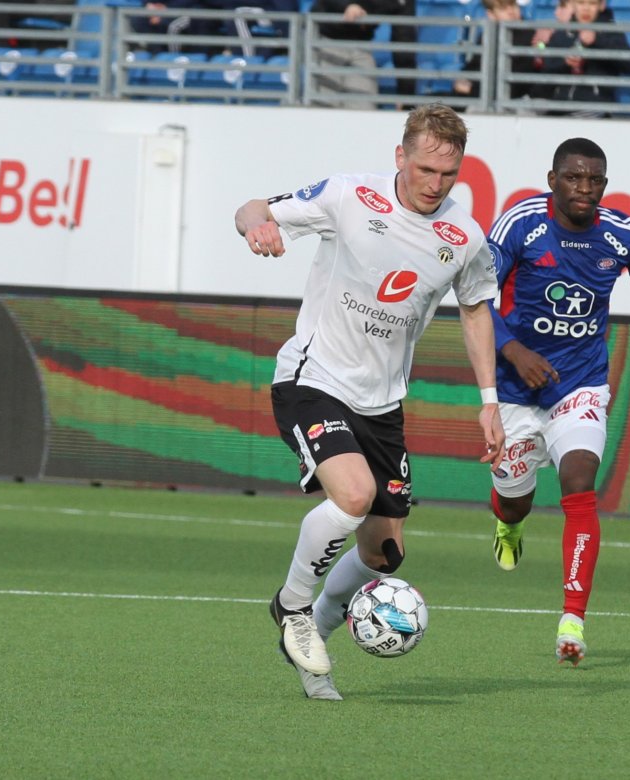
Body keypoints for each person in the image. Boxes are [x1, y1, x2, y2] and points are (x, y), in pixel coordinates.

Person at [234, 104, 506, 700]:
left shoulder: (464, 237)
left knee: (384, 554)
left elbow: (475, 309)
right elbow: (253, 208)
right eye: (426, 169)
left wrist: (490, 400)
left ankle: (313, 639)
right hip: (313, 378)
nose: (436, 184)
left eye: (449, 174)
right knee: (353, 495)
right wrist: (257, 227)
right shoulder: (348, 196)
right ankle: (293, 607)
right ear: (400, 156)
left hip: (382, 404)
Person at [486, 137, 630, 666]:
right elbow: (476, 295)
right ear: (553, 180)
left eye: (594, 180)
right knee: (515, 499)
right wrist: (514, 351)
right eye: (573, 177)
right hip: (515, 388)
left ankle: (572, 619)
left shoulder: (622, 233)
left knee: (580, 479)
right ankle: (509, 524)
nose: (584, 188)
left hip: (581, 383)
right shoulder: (520, 225)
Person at [308, 0, 412, 109]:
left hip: (363, 47)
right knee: (322, 109)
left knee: (364, 109)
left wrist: (406, 93)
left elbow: (404, 39)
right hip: (325, 41)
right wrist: (347, 5)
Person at [539, 0, 630, 112]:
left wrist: (597, 40)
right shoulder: (564, 32)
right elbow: (547, 67)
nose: (586, 9)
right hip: (559, 105)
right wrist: (565, 62)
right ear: (573, 5)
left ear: (601, 5)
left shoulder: (611, 32)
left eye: (592, 3)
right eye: (581, 3)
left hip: (595, 106)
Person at [449, 0, 543, 102]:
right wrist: (462, 80)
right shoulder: (488, 36)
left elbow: (516, 84)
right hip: (480, 96)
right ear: (491, 15)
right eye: (503, 9)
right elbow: (474, 66)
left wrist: (471, 89)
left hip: (509, 101)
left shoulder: (532, 37)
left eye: (513, 5)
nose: (511, 11)